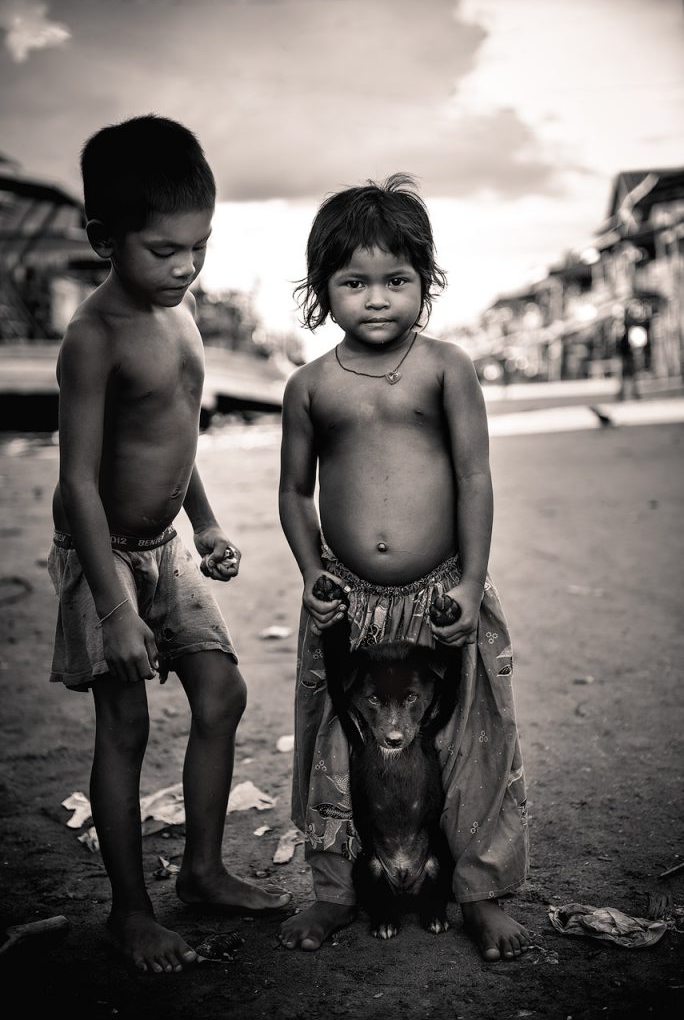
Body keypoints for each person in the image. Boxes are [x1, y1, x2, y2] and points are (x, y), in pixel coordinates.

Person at [47, 115, 290, 974]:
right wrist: (114, 606)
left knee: (220, 695)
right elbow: (78, 480)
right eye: (164, 249)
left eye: (201, 245)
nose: (187, 266)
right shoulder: (97, 336)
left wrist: (211, 522)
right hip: (102, 553)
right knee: (125, 724)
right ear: (105, 239)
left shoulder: (179, 314)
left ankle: (203, 869)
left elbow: (171, 442)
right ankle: (130, 912)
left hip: (168, 543)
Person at [277, 174, 530, 962]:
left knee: (470, 740)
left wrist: (468, 579)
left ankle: (481, 892)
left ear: (426, 283)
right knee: (333, 745)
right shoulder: (310, 386)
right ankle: (333, 892)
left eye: (397, 280)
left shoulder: (448, 367)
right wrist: (313, 573)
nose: (377, 298)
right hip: (345, 605)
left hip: (440, 593)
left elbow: (474, 478)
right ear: (322, 291)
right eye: (354, 282)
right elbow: (294, 492)